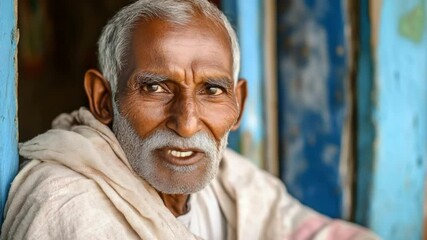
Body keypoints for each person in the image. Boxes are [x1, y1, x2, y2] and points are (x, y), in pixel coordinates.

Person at [1, 0, 378, 239]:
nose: (186, 123)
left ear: (238, 104)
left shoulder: (227, 181)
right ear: (104, 100)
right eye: (156, 88)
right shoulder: (66, 206)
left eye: (212, 90)